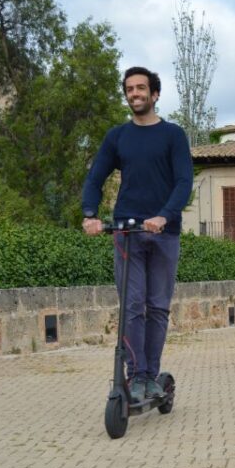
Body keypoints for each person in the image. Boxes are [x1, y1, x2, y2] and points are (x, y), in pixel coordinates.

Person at [81, 66, 193, 402]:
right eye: (129, 89)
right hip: (126, 231)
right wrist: (90, 214)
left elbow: (183, 181)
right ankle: (137, 376)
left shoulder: (173, 135)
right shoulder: (118, 136)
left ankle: (151, 374)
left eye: (141, 88)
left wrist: (164, 215)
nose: (135, 94)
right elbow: (95, 178)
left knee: (157, 307)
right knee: (132, 306)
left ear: (154, 94)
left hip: (163, 233)